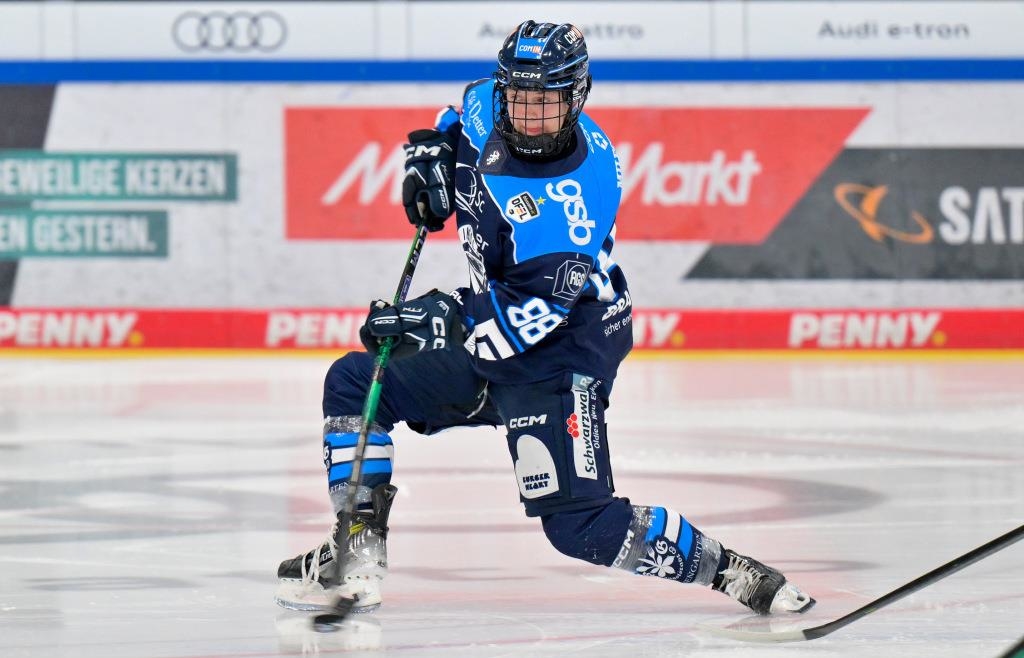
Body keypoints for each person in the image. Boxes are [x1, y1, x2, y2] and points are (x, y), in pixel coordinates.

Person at [276, 20, 815, 617]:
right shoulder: (491, 102)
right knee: (355, 383)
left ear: (577, 97)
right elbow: (461, 113)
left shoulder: (568, 213)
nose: (530, 116)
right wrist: (433, 154)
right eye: (521, 98)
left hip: (562, 350)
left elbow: (516, 333)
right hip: (500, 319)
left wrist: (432, 322)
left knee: (581, 527)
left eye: (548, 103)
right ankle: (357, 551)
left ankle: (737, 575)